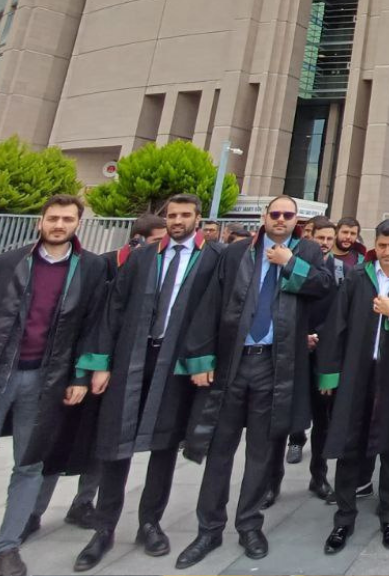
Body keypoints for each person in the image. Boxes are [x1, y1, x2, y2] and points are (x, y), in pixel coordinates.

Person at [173, 196, 334, 568]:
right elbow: (211, 303)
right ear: (264, 217)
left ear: (296, 220)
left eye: (287, 215)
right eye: (274, 214)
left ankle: (248, 524)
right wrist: (201, 358)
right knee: (220, 448)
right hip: (233, 362)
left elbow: (324, 288)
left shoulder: (307, 250)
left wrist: (290, 263)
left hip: (274, 364)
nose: (280, 219)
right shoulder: (237, 252)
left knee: (261, 450)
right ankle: (208, 529)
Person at [0, 195, 107, 576]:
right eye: (53, 218)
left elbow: (93, 325)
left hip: (45, 381)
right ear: (41, 221)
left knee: (29, 466)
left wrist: (80, 376)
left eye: (67, 219)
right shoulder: (7, 264)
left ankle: (7, 548)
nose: (59, 225)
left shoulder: (90, 269)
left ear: (78, 224)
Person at [70, 194, 224, 571]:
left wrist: (203, 360)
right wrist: (101, 364)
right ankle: (104, 528)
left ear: (198, 219)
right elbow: (114, 308)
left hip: (175, 362)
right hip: (132, 357)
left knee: (164, 445)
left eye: (185, 215)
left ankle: (149, 523)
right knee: (115, 443)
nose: (177, 221)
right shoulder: (142, 257)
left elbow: (216, 313)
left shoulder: (213, 259)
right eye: (172, 215)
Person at [27, 214, 166, 539]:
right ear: (138, 239)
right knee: (56, 441)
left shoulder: (158, 269)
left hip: (119, 371)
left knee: (101, 441)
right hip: (80, 366)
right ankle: (33, 511)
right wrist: (83, 369)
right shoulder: (102, 265)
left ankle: (84, 502)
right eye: (157, 240)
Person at [317, 219, 389, 553]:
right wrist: (329, 373)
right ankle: (344, 517)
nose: (386, 252)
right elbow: (337, 325)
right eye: (382, 245)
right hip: (358, 373)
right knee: (350, 444)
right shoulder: (358, 277)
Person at [267, 217, 339, 508]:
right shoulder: (286, 264)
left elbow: (337, 312)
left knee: (323, 419)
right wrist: (299, 336)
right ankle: (271, 481)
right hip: (289, 349)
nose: (324, 244)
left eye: (329, 239)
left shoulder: (339, 270)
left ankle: (318, 476)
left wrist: (318, 336)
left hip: (322, 351)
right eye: (319, 238)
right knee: (280, 416)